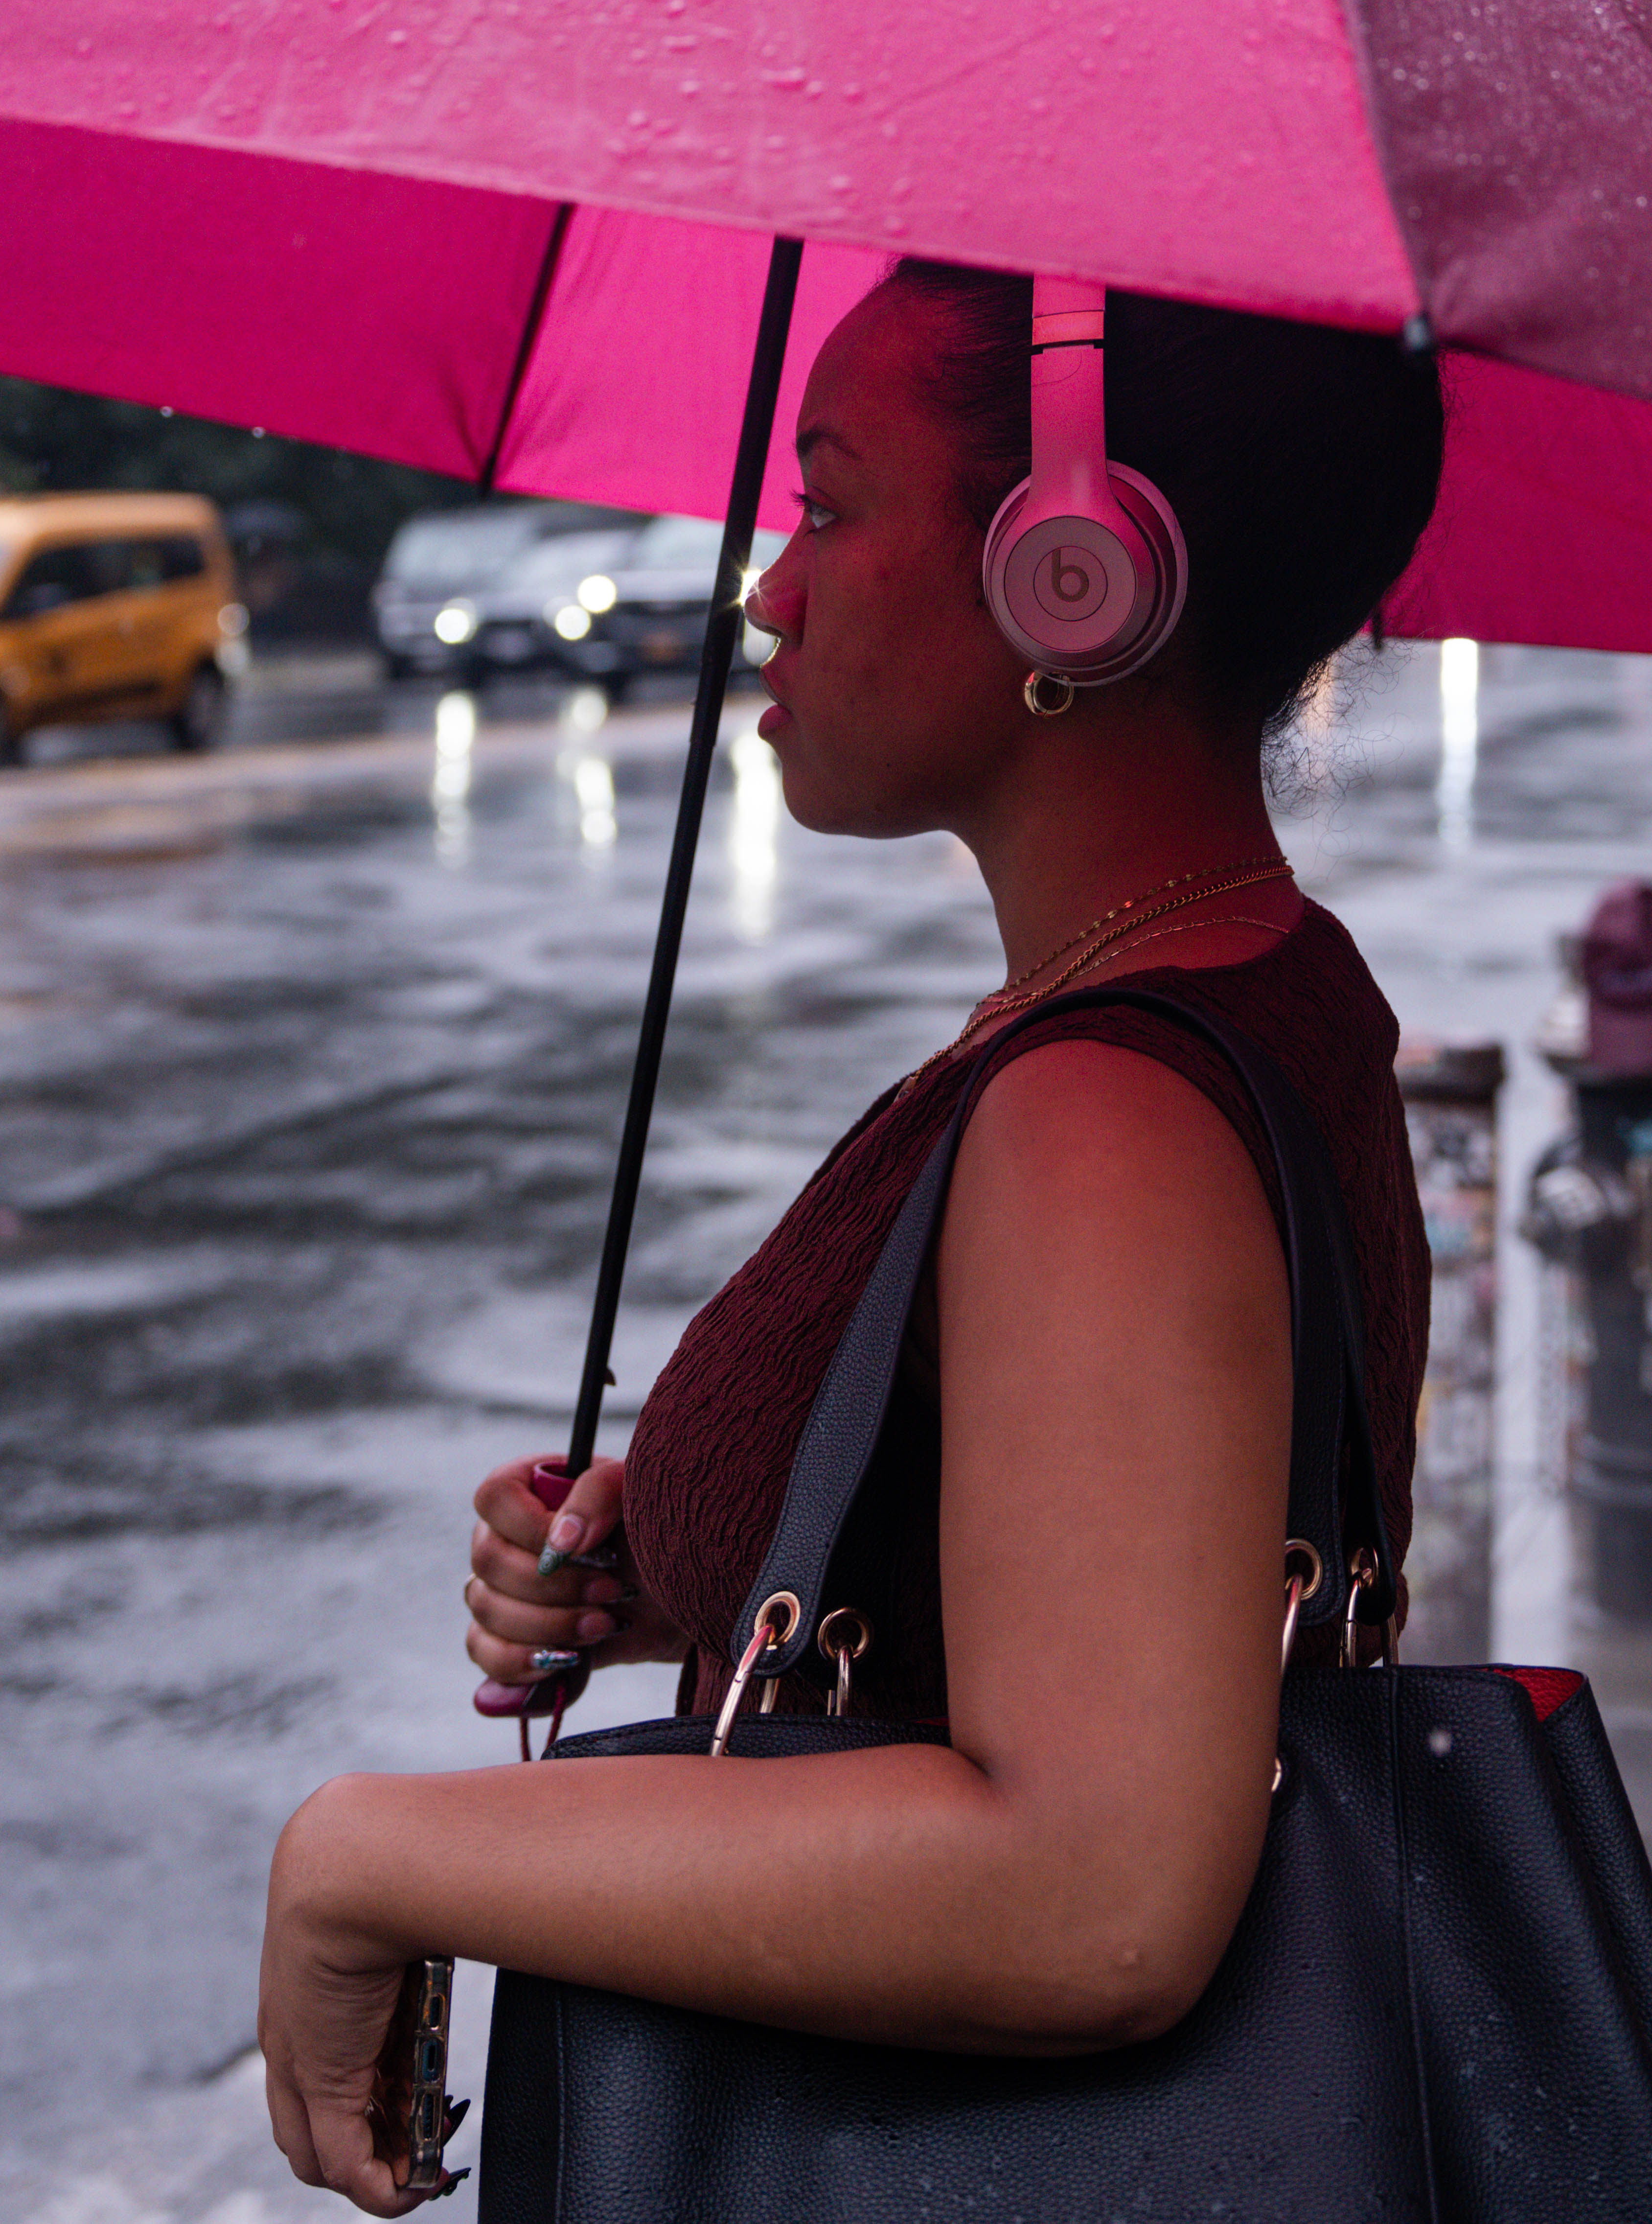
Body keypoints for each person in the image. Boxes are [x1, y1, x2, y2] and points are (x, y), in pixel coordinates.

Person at [253, 261, 1445, 2214]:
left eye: (828, 500)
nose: (767, 588)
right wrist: (738, 1538)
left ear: (1076, 566)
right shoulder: (1249, 980)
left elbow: (1092, 1892)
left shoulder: (1107, 1116)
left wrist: (365, 1854)